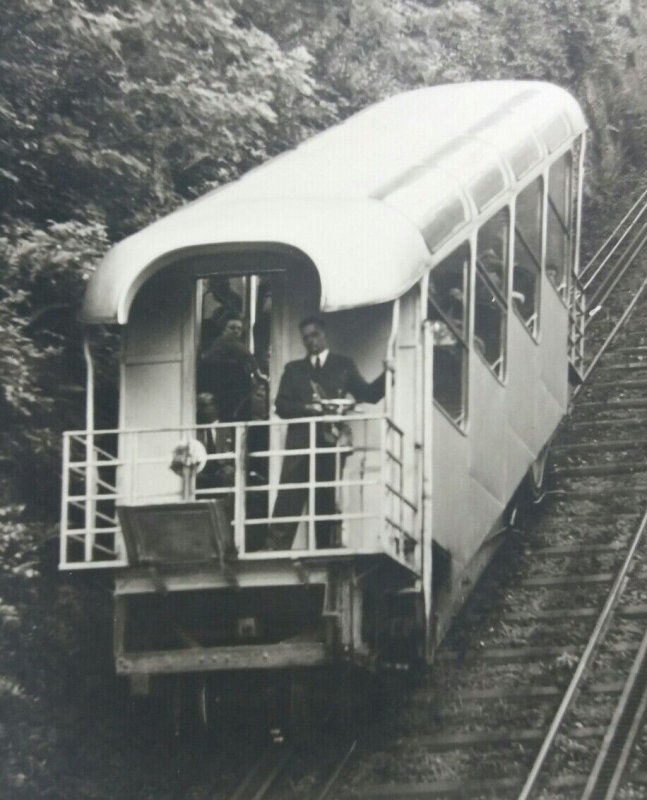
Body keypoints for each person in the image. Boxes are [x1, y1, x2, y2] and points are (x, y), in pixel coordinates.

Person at [267, 315, 386, 550]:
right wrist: (307, 409)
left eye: (315, 335)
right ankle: (276, 546)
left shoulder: (343, 365)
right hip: (300, 440)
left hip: (330, 440)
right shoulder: (294, 370)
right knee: (290, 492)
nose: (311, 341)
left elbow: (369, 394)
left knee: (326, 494)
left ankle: (327, 546)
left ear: (324, 334)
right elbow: (281, 406)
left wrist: (388, 375)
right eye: (306, 338)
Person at [200, 312, 266, 422]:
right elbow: (246, 354)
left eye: (239, 329)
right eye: (232, 328)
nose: (236, 331)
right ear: (224, 330)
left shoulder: (231, 344)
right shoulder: (225, 340)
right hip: (213, 379)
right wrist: (258, 373)